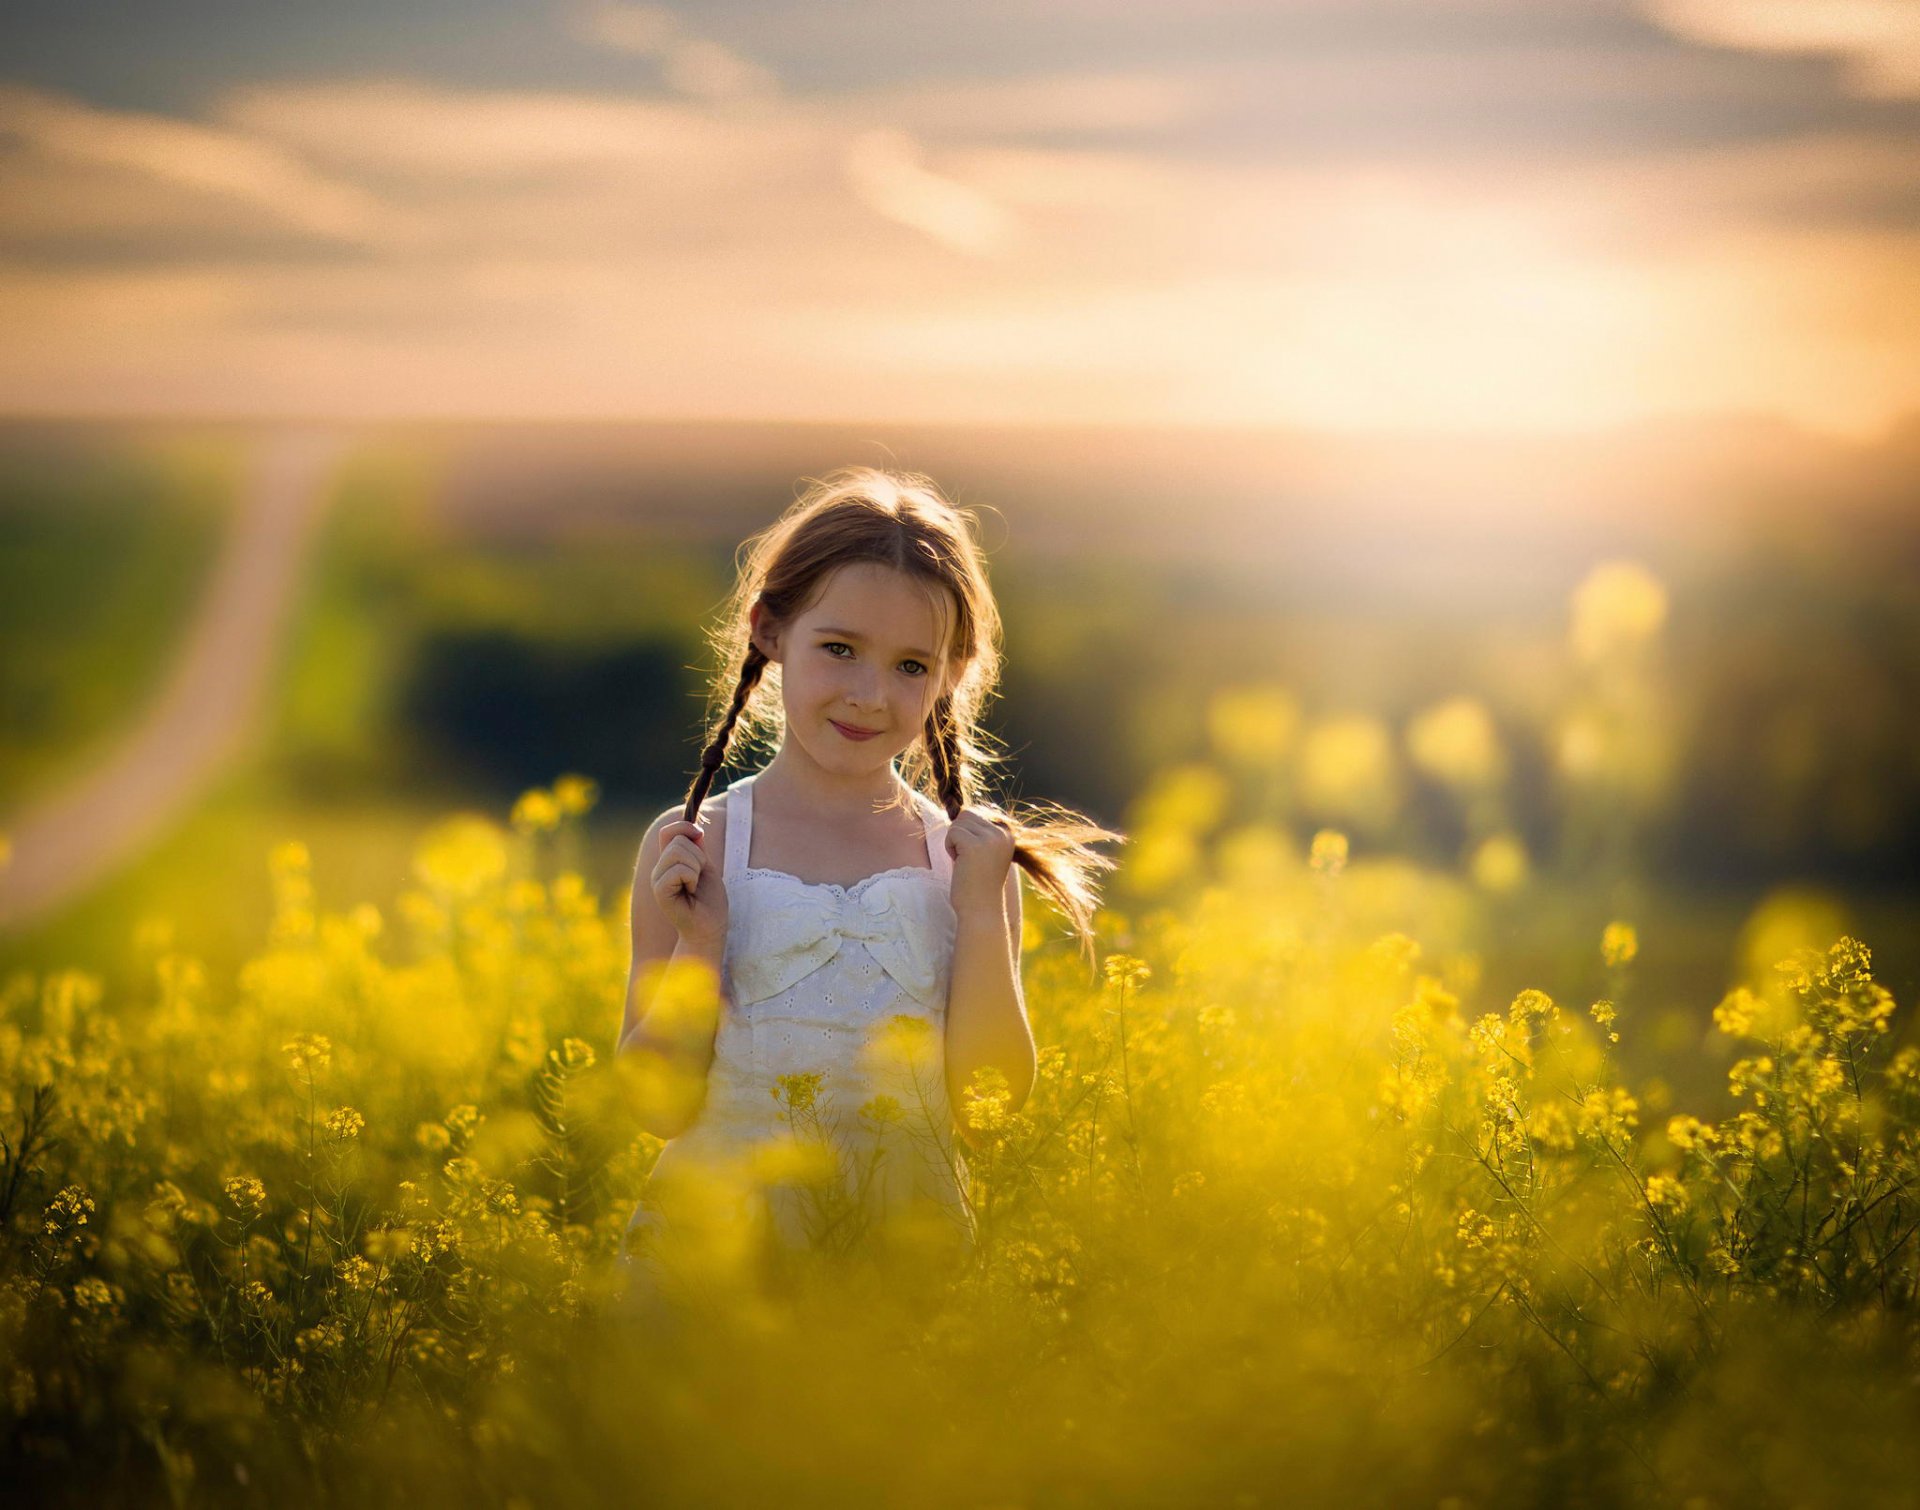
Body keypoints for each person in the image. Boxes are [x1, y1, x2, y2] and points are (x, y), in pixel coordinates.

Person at [614, 465, 1117, 1301]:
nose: (869, 694)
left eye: (911, 666)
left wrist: (982, 915)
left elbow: (988, 1110)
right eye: (839, 649)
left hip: (899, 1284)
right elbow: (655, 1107)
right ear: (770, 630)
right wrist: (701, 946)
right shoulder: (698, 847)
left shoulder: (965, 862)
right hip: (709, 1279)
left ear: (954, 674)